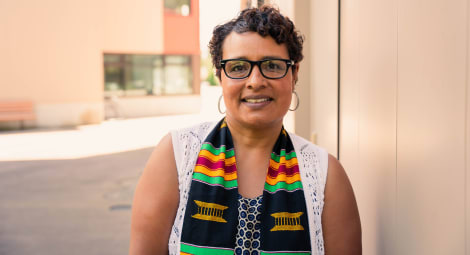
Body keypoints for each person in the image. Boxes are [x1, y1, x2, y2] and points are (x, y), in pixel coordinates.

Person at [129, 5, 361, 255]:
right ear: (220, 75)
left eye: (272, 66)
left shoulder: (325, 174)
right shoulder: (176, 155)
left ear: (294, 73)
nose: (255, 81)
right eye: (238, 67)